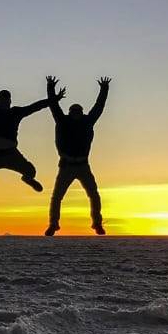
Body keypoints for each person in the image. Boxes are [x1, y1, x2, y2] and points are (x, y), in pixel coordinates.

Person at [44, 76, 110, 236]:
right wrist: (50, 87)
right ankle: (53, 224)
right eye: (73, 112)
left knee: (94, 195)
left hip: (82, 165)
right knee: (57, 197)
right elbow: (54, 106)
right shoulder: (62, 121)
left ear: (81, 112)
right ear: (70, 113)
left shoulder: (87, 122)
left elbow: (98, 107)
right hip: (66, 165)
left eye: (78, 112)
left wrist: (104, 89)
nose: (76, 114)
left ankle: (97, 224)